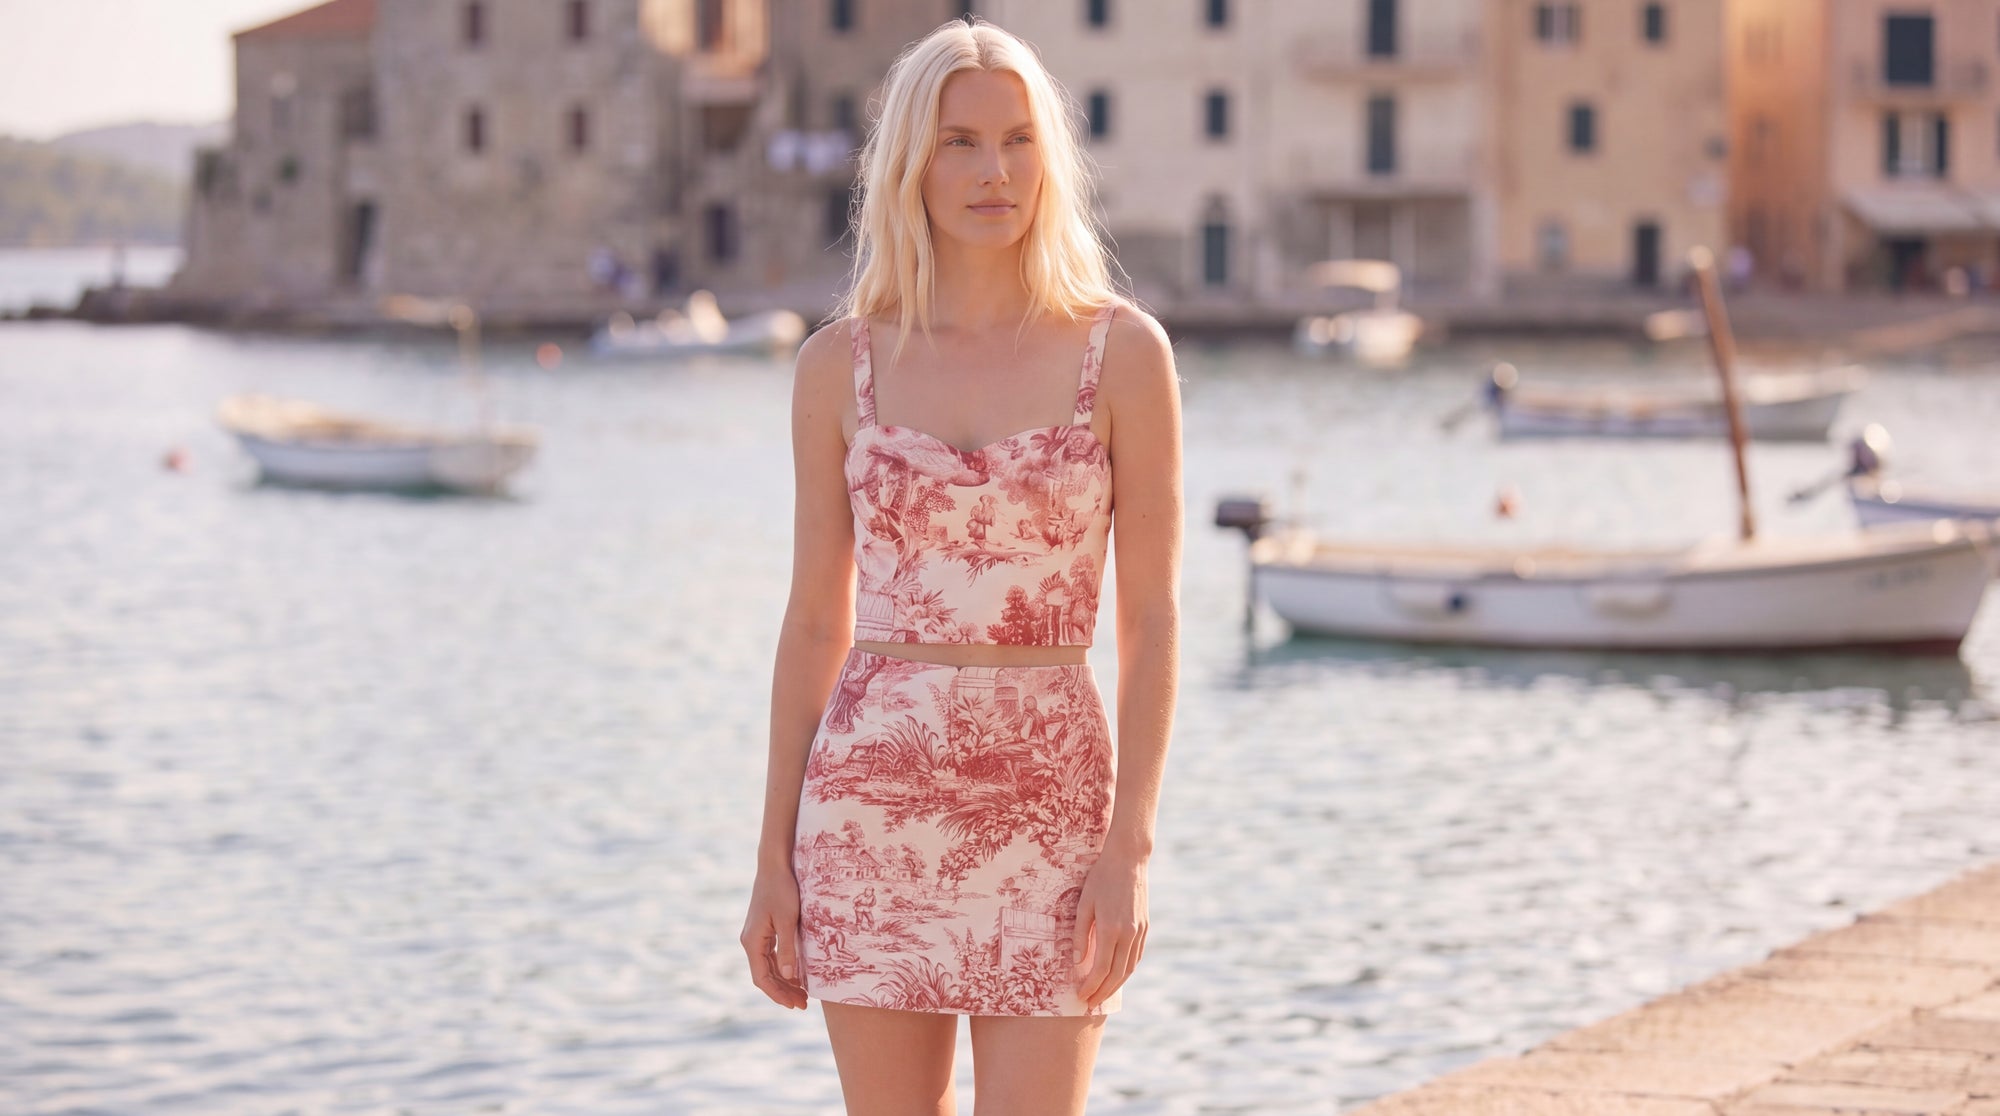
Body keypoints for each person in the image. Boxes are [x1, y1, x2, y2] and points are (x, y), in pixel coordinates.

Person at [739, 17, 1182, 1115]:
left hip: (1053, 808)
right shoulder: (835, 369)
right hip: (866, 808)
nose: (994, 172)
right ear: (908, 164)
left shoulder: (1121, 354)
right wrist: (770, 859)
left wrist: (1129, 842)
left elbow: (1154, 622)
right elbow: (810, 626)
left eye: (1018, 140)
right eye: (959, 143)